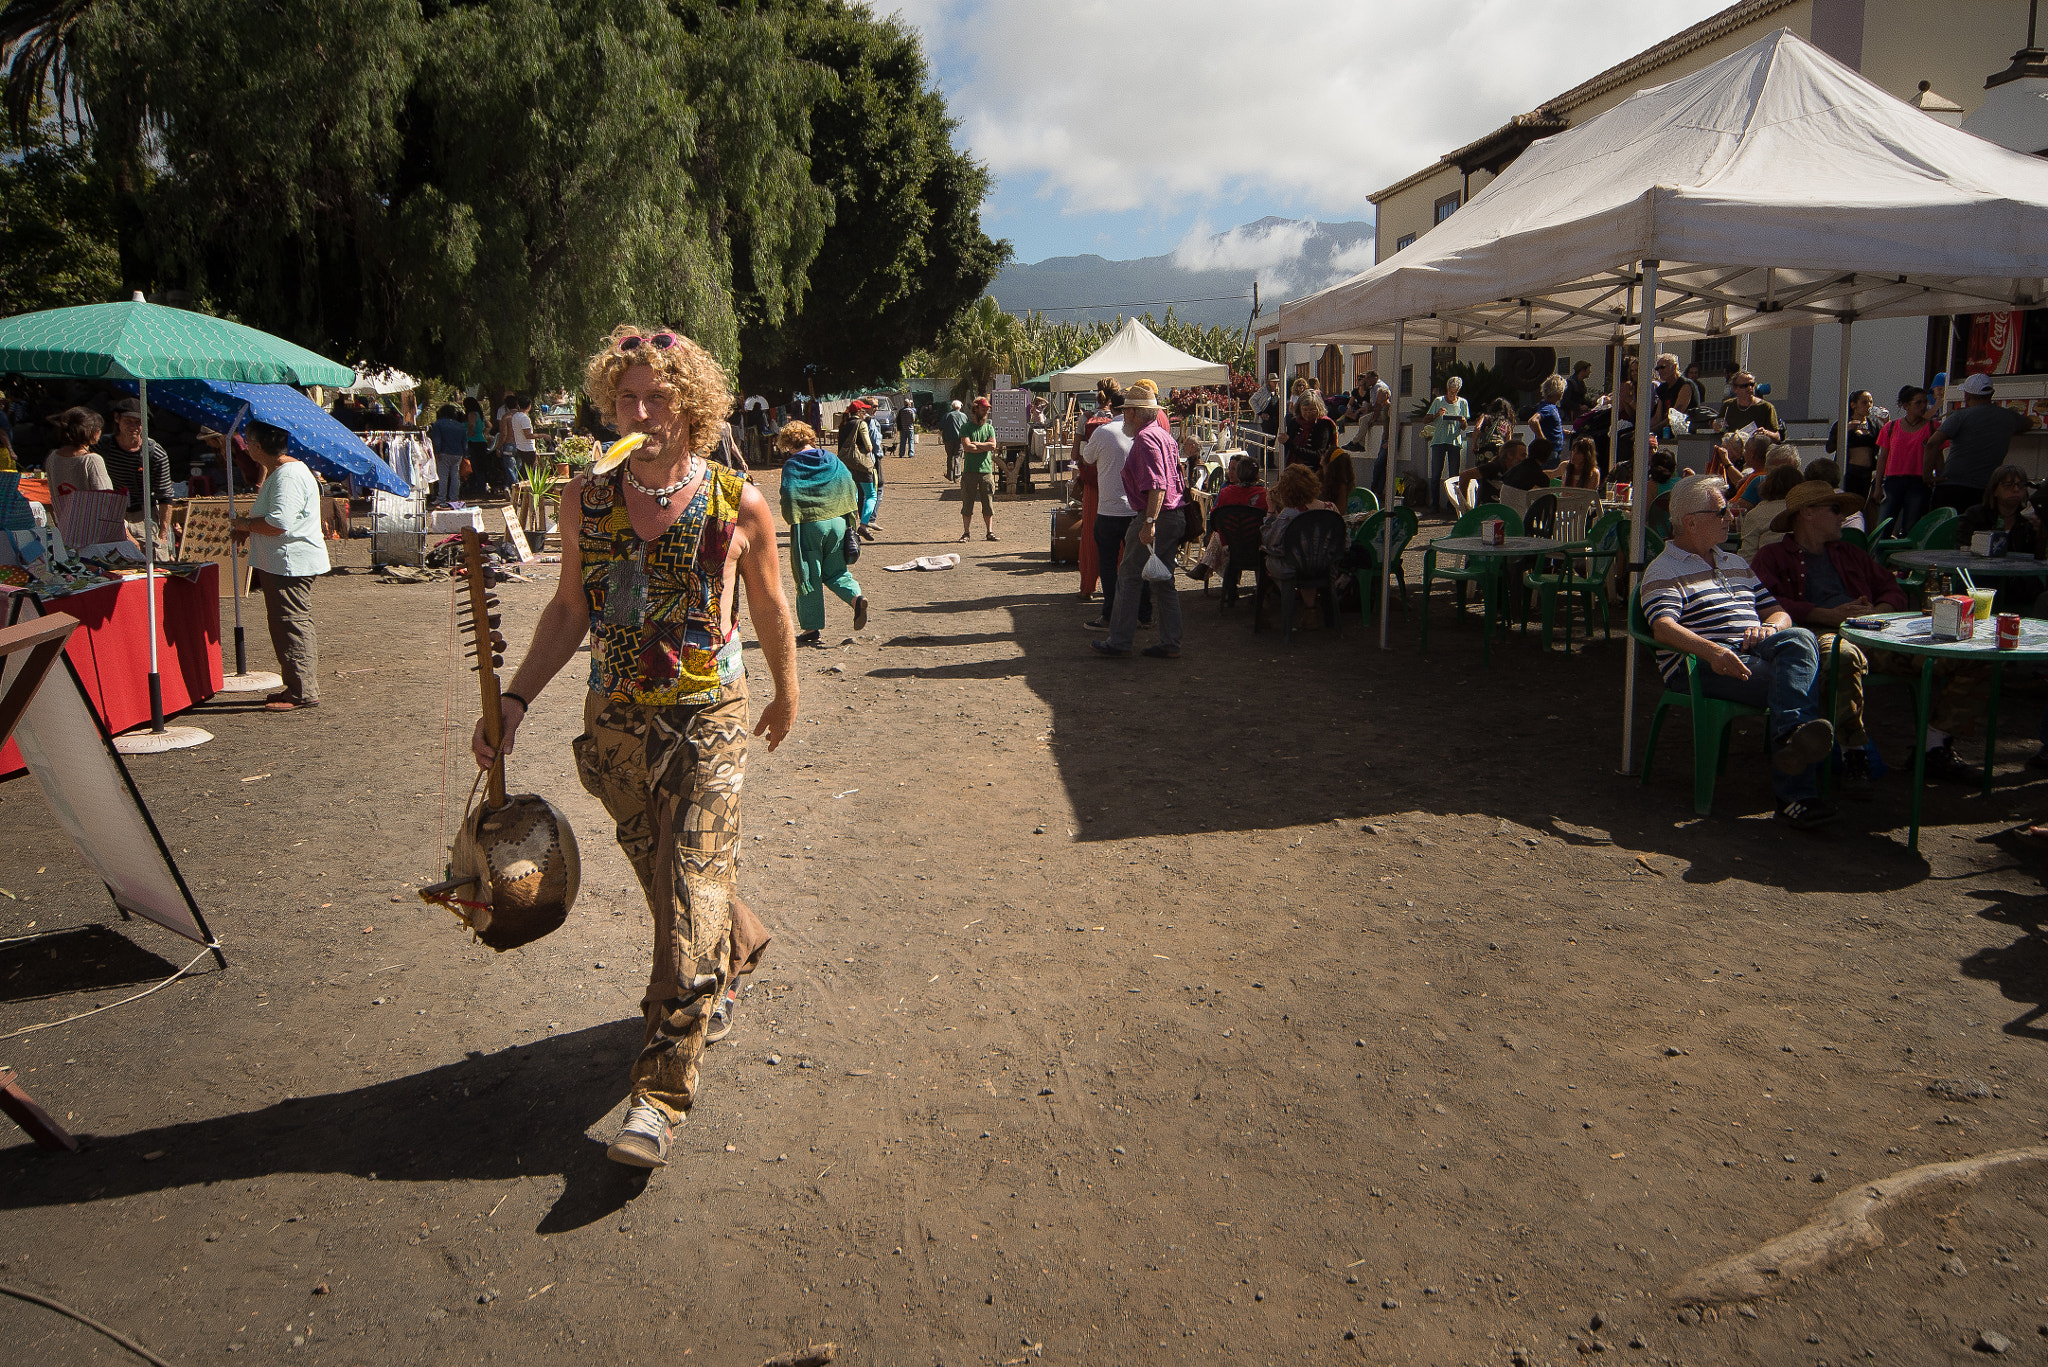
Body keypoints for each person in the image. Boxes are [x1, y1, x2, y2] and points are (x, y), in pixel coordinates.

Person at [472, 323, 797, 1171]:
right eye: (627, 398)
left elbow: (768, 607)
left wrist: (787, 689)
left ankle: (659, 1095)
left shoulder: (737, 499)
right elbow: (568, 611)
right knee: (671, 880)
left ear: (694, 408)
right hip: (615, 731)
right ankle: (739, 943)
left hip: (709, 721)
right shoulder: (590, 498)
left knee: (686, 898)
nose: (643, 412)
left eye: (659, 398)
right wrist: (514, 697)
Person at [1752, 479, 1988, 787]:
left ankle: (1936, 747)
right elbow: (1762, 602)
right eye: (1835, 510)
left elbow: (1892, 588)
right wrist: (1823, 613)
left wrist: (1880, 609)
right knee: (1843, 657)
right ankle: (1854, 753)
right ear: (1807, 513)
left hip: (1872, 632)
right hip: (1816, 636)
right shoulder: (1772, 556)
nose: (1843, 517)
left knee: (1973, 656)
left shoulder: (1849, 553)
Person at [1642, 474, 1836, 829]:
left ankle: (1791, 734)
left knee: (1800, 637)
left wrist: (1771, 627)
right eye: (1721, 511)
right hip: (1703, 665)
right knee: (1813, 679)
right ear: (1691, 522)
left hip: (1757, 648)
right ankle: (1797, 793)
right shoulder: (1664, 569)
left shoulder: (1735, 562)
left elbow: (1779, 612)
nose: (1731, 516)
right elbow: (1663, 627)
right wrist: (1713, 652)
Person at [231, 421, 330, 712]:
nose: (247, 447)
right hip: (286, 561)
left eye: (248, 442)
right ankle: (298, 686)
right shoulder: (285, 472)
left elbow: (278, 523)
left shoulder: (287, 475)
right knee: (290, 623)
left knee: (291, 624)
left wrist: (245, 524)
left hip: (289, 562)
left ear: (259, 447)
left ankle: (302, 691)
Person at [1093, 379, 1187, 660]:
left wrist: (1149, 522)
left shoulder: (1145, 439)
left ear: (1133, 413)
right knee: (1163, 580)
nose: (1124, 417)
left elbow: (1157, 485)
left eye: (1126, 412)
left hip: (1157, 515)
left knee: (1129, 576)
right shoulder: (1164, 436)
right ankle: (1171, 641)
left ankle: (1120, 640)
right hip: (1174, 514)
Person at [776, 421, 867, 646]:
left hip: (808, 525)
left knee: (809, 576)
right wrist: (847, 515)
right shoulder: (832, 458)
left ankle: (811, 628)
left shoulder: (792, 464)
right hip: (837, 521)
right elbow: (849, 484)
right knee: (836, 570)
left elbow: (788, 493)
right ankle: (856, 598)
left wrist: (791, 515)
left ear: (788, 443)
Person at [1080, 384, 1144, 631]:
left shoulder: (1104, 432)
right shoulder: (1142, 433)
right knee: (1137, 562)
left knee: (1108, 564)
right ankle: (1143, 612)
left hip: (1108, 509)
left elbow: (1087, 458)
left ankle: (1109, 613)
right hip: (1135, 509)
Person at [1928, 373, 2036, 512]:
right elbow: (2029, 423)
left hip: (1952, 485)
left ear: (1967, 395)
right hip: (1985, 488)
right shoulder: (2008, 417)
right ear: (1992, 394)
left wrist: (1928, 475)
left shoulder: (1960, 416)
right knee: (1977, 531)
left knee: (1947, 529)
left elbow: (1932, 444)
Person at [1074, 381, 1121, 603]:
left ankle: (1088, 586)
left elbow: (1076, 453)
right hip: (1118, 483)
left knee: (1091, 534)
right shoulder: (1123, 420)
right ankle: (1119, 584)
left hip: (1093, 485)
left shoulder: (1086, 418)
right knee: (1120, 535)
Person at [98, 398, 174, 524]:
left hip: (143, 517)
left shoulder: (155, 453)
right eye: (128, 421)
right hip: (110, 514)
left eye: (138, 422)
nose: (133, 427)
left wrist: (163, 535)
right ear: (117, 418)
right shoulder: (102, 446)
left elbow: (165, 495)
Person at [1260, 462, 1335, 585]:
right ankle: (1309, 601)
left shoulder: (1288, 514)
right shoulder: (1331, 508)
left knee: (1268, 558)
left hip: (1295, 567)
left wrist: (1271, 510)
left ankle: (1282, 596)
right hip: (1326, 566)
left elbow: (1269, 541)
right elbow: (1345, 541)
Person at [1876, 385, 1936, 535]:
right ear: (1906, 406)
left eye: (1925, 402)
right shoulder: (1891, 427)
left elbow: (1938, 457)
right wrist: (1877, 486)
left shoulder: (1932, 427)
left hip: (1919, 482)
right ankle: (1879, 556)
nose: (1923, 406)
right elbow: (1882, 458)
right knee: (1884, 525)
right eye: (1918, 403)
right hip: (1893, 481)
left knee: (1911, 527)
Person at [1956, 464, 2042, 560]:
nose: (2016, 490)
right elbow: (1963, 548)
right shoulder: (1975, 515)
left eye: (2021, 485)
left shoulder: (2029, 520)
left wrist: (2040, 532)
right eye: (2008, 485)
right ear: (1994, 490)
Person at [1738, 461, 1805, 560]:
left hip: (1766, 571)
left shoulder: (1755, 515)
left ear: (1767, 485)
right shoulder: (1806, 512)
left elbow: (1748, 557)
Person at [1825, 390, 1882, 502]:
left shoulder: (1874, 425)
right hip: (1849, 472)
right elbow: (1829, 447)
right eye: (1864, 403)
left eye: (1871, 402)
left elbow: (1885, 444)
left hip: (1866, 473)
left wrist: (1886, 421)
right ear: (1853, 405)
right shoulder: (1843, 424)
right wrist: (1846, 431)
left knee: (1861, 504)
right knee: (1846, 503)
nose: (1868, 406)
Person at [956, 395, 999, 543]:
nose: (986, 412)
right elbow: (967, 447)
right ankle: (966, 532)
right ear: (976, 409)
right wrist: (983, 446)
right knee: (967, 504)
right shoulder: (966, 427)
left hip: (986, 472)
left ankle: (989, 532)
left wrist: (977, 444)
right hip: (969, 472)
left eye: (987, 409)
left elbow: (993, 446)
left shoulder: (989, 428)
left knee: (988, 503)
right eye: (983, 409)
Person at [1424, 376, 1469, 511]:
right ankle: (1435, 505)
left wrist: (1462, 421)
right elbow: (1425, 420)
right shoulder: (1438, 401)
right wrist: (1436, 415)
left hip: (1454, 442)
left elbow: (1465, 427)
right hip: (1438, 441)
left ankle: (1452, 505)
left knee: (1454, 475)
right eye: (1450, 390)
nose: (1452, 393)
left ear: (1458, 390)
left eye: (1455, 391)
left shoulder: (1463, 403)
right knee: (1436, 474)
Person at [1458, 437, 1545, 505]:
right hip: (1489, 514)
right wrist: (1465, 505)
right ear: (1510, 455)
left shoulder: (1516, 471)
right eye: (1523, 455)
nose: (1525, 459)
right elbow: (1465, 475)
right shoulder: (1494, 467)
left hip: (1505, 511)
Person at [837, 401, 879, 538]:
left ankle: (850, 526)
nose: (866, 413)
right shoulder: (861, 424)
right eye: (864, 410)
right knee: (871, 495)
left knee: (852, 495)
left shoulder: (842, 425)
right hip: (860, 464)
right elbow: (868, 446)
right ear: (859, 412)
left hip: (845, 465)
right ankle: (863, 524)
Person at [1718, 371, 1782, 442]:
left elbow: (1777, 437)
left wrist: (1766, 433)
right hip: (1732, 450)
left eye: (1752, 384)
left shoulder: (1766, 407)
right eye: (1744, 386)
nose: (1749, 388)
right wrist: (1716, 425)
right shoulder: (1728, 405)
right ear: (1735, 388)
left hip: (1755, 450)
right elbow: (1717, 423)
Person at [428, 404, 469, 507]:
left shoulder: (438, 424)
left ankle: (441, 498)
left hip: (444, 452)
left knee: (443, 476)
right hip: (457, 453)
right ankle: (454, 498)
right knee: (455, 476)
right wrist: (465, 454)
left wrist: (436, 452)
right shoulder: (460, 425)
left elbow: (437, 440)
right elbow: (464, 442)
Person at [1650, 353, 1700, 435]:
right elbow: (1657, 417)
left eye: (1662, 367)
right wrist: (1641, 429)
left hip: (1682, 429)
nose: (1659, 371)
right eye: (1657, 368)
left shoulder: (1685, 385)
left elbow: (1675, 417)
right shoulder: (1663, 388)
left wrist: (1651, 430)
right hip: (1664, 426)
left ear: (1674, 367)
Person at [1285, 393, 1337, 468]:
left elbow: (1318, 455)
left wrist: (1290, 444)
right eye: (1305, 410)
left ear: (1318, 409)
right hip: (1292, 471)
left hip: (1315, 472)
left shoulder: (1323, 424)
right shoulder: (1295, 423)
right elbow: (1287, 451)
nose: (1308, 413)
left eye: (1312, 409)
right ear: (1300, 409)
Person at [1529, 375, 1568, 468]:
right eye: (1561, 390)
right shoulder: (1548, 408)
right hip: (1550, 453)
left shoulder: (1551, 407)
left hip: (1553, 451)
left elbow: (1551, 426)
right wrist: (1543, 440)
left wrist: (1564, 432)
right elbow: (1533, 421)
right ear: (1557, 392)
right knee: (1551, 479)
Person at [504, 393, 537, 489]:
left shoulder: (512, 417)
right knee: (529, 473)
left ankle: (518, 491)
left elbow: (507, 433)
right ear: (529, 406)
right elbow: (528, 435)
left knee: (519, 471)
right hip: (526, 447)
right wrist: (542, 435)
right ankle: (524, 491)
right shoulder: (524, 418)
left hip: (517, 446)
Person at [939, 398, 970, 482]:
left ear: (952, 407)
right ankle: (957, 476)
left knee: (950, 456)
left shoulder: (947, 415)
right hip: (960, 439)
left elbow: (940, 426)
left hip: (948, 439)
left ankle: (950, 475)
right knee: (958, 457)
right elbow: (967, 428)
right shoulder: (964, 416)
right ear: (960, 407)